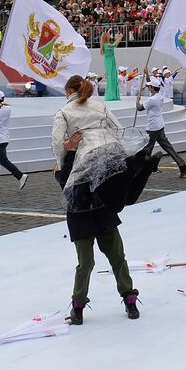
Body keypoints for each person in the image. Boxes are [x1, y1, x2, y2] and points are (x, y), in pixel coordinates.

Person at [52, 76, 159, 324]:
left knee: (86, 263)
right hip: (100, 198)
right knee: (116, 255)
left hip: (82, 209)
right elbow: (117, 128)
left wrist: (64, 153)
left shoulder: (64, 114)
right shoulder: (98, 106)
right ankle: (125, 301)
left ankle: (80, 308)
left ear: (68, 90)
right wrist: (125, 151)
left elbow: (57, 144)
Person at [136, 74, 186, 178]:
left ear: (152, 88)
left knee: (147, 149)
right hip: (160, 125)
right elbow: (152, 85)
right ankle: (181, 164)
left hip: (153, 127)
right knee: (167, 147)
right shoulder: (160, 94)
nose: (148, 88)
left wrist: (137, 101)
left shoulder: (152, 100)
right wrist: (147, 75)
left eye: (149, 87)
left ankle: (143, 170)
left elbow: (140, 108)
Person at [0, 90, 28, 190]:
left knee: (3, 161)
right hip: (5, 139)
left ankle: (20, 176)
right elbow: (5, 105)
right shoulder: (8, 109)